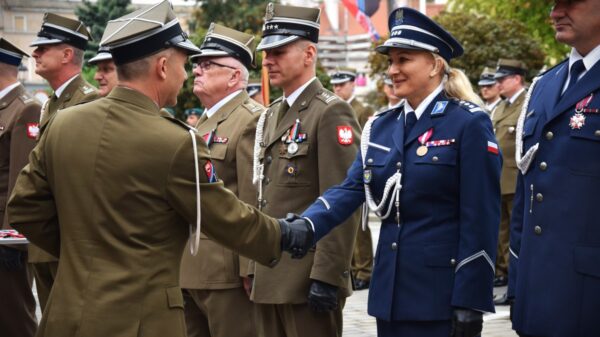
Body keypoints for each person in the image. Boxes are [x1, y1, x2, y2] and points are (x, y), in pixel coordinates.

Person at [6, 2, 313, 336]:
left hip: (66, 314)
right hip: (142, 320)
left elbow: (23, 208)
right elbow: (226, 218)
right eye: (184, 64)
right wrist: (285, 234)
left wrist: (83, 253)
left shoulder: (62, 124)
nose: (186, 75)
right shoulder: (175, 141)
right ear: (163, 66)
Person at [282, 7, 502, 337]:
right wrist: (306, 224)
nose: (393, 70)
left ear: (435, 64)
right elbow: (351, 188)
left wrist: (471, 300)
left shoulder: (468, 123)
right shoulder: (381, 127)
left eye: (403, 60)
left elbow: (481, 218)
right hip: (391, 293)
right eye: (390, 61)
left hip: (441, 295)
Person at [250, 3, 361, 337]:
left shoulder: (330, 112)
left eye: (278, 52)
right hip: (272, 275)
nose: (268, 61)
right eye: (266, 53)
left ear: (309, 53)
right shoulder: (271, 114)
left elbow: (343, 198)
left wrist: (328, 275)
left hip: (307, 278)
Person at [508, 0, 600, 336]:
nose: (555, 13)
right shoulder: (544, 84)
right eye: (553, 4)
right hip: (538, 291)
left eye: (569, 3)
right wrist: (518, 281)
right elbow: (528, 191)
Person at [179, 23, 265, 337]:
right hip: (191, 268)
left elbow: (252, 199)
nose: (197, 70)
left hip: (228, 273)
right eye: (196, 64)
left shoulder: (251, 119)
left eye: (207, 64)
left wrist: (250, 268)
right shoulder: (201, 122)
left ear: (233, 76)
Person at [28, 12, 99, 310]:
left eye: (44, 48)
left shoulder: (90, 102)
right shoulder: (51, 105)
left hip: (71, 241)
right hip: (46, 239)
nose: (35, 53)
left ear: (68, 54)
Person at [0, 37, 41, 337]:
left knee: (14, 316)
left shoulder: (25, 109)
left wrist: (10, 238)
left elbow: (20, 179)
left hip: (4, 233)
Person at [330, 66, 374, 290]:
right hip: (339, 175)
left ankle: (364, 271)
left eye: (341, 84)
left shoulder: (362, 109)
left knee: (361, 227)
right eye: (335, 85)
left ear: (352, 84)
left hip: (356, 173)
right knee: (346, 226)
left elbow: (365, 144)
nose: (337, 89)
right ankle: (353, 267)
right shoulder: (333, 108)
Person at [490, 59, 527, 298]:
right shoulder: (501, 108)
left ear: (516, 79)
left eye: (502, 79)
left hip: (516, 180)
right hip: (499, 179)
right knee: (501, 234)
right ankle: (506, 276)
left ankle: (518, 284)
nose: (498, 84)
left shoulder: (528, 102)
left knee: (517, 235)